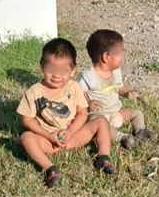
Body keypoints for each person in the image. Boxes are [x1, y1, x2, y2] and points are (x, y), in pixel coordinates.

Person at [18, 37, 117, 188]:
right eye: (51, 69)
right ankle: (50, 168)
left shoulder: (75, 87)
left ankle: (103, 157)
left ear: (73, 71)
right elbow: (27, 120)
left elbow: (82, 113)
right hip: (48, 140)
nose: (57, 75)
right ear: (42, 67)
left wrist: (71, 131)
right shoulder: (34, 92)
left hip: (73, 136)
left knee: (101, 121)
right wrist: (48, 135)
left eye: (63, 70)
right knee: (26, 137)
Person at [79, 29, 157, 150]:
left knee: (136, 113)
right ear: (106, 57)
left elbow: (119, 88)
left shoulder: (116, 72)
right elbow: (78, 94)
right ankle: (122, 137)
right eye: (120, 53)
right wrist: (88, 103)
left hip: (115, 110)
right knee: (100, 126)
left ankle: (140, 130)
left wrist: (127, 92)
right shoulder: (89, 75)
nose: (122, 56)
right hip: (98, 114)